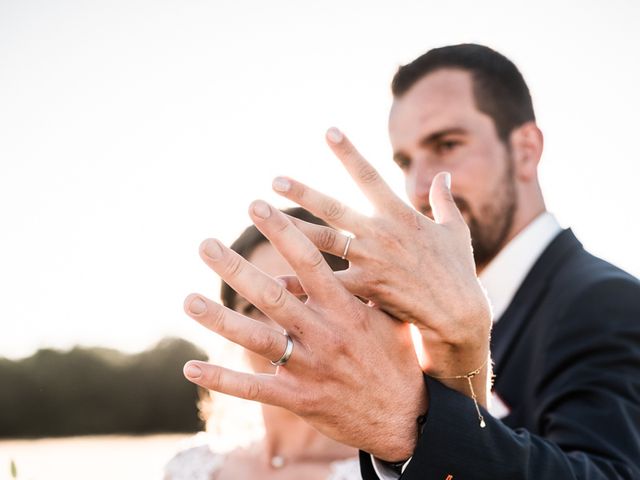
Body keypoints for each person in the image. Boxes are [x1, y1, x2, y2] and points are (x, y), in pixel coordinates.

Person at [182, 44, 640, 479]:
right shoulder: (406, 321)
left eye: (446, 145)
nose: (420, 186)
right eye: (404, 161)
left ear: (525, 149)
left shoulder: (606, 300)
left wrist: (411, 426)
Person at [166, 208, 361, 480]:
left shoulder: (388, 473)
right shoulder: (190, 467)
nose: (280, 331)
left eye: (303, 299)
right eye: (256, 306)